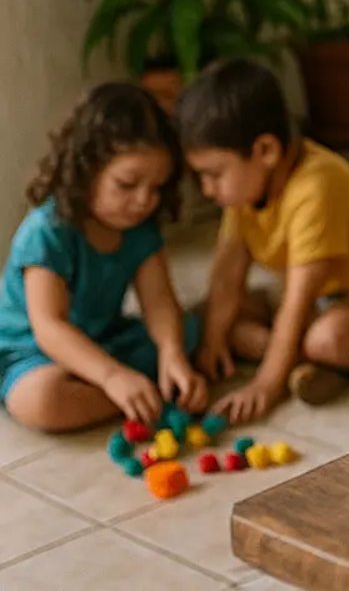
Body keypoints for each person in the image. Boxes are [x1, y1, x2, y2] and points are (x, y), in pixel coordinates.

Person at [179, 58, 349, 420]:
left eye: (214, 174)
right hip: (294, 298)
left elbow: (299, 300)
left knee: (330, 339)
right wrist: (212, 343)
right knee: (202, 316)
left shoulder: (316, 186)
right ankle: (299, 360)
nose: (207, 189)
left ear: (266, 151)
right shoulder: (242, 192)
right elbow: (227, 276)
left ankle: (300, 359)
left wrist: (265, 385)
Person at [1, 83, 206, 430]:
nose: (144, 201)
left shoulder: (139, 226)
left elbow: (158, 303)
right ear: (85, 169)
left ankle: (147, 386)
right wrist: (112, 376)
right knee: (43, 402)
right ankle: (148, 394)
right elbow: (50, 327)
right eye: (127, 184)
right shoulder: (47, 232)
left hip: (105, 337)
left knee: (184, 332)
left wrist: (171, 353)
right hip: (32, 352)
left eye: (156, 188)